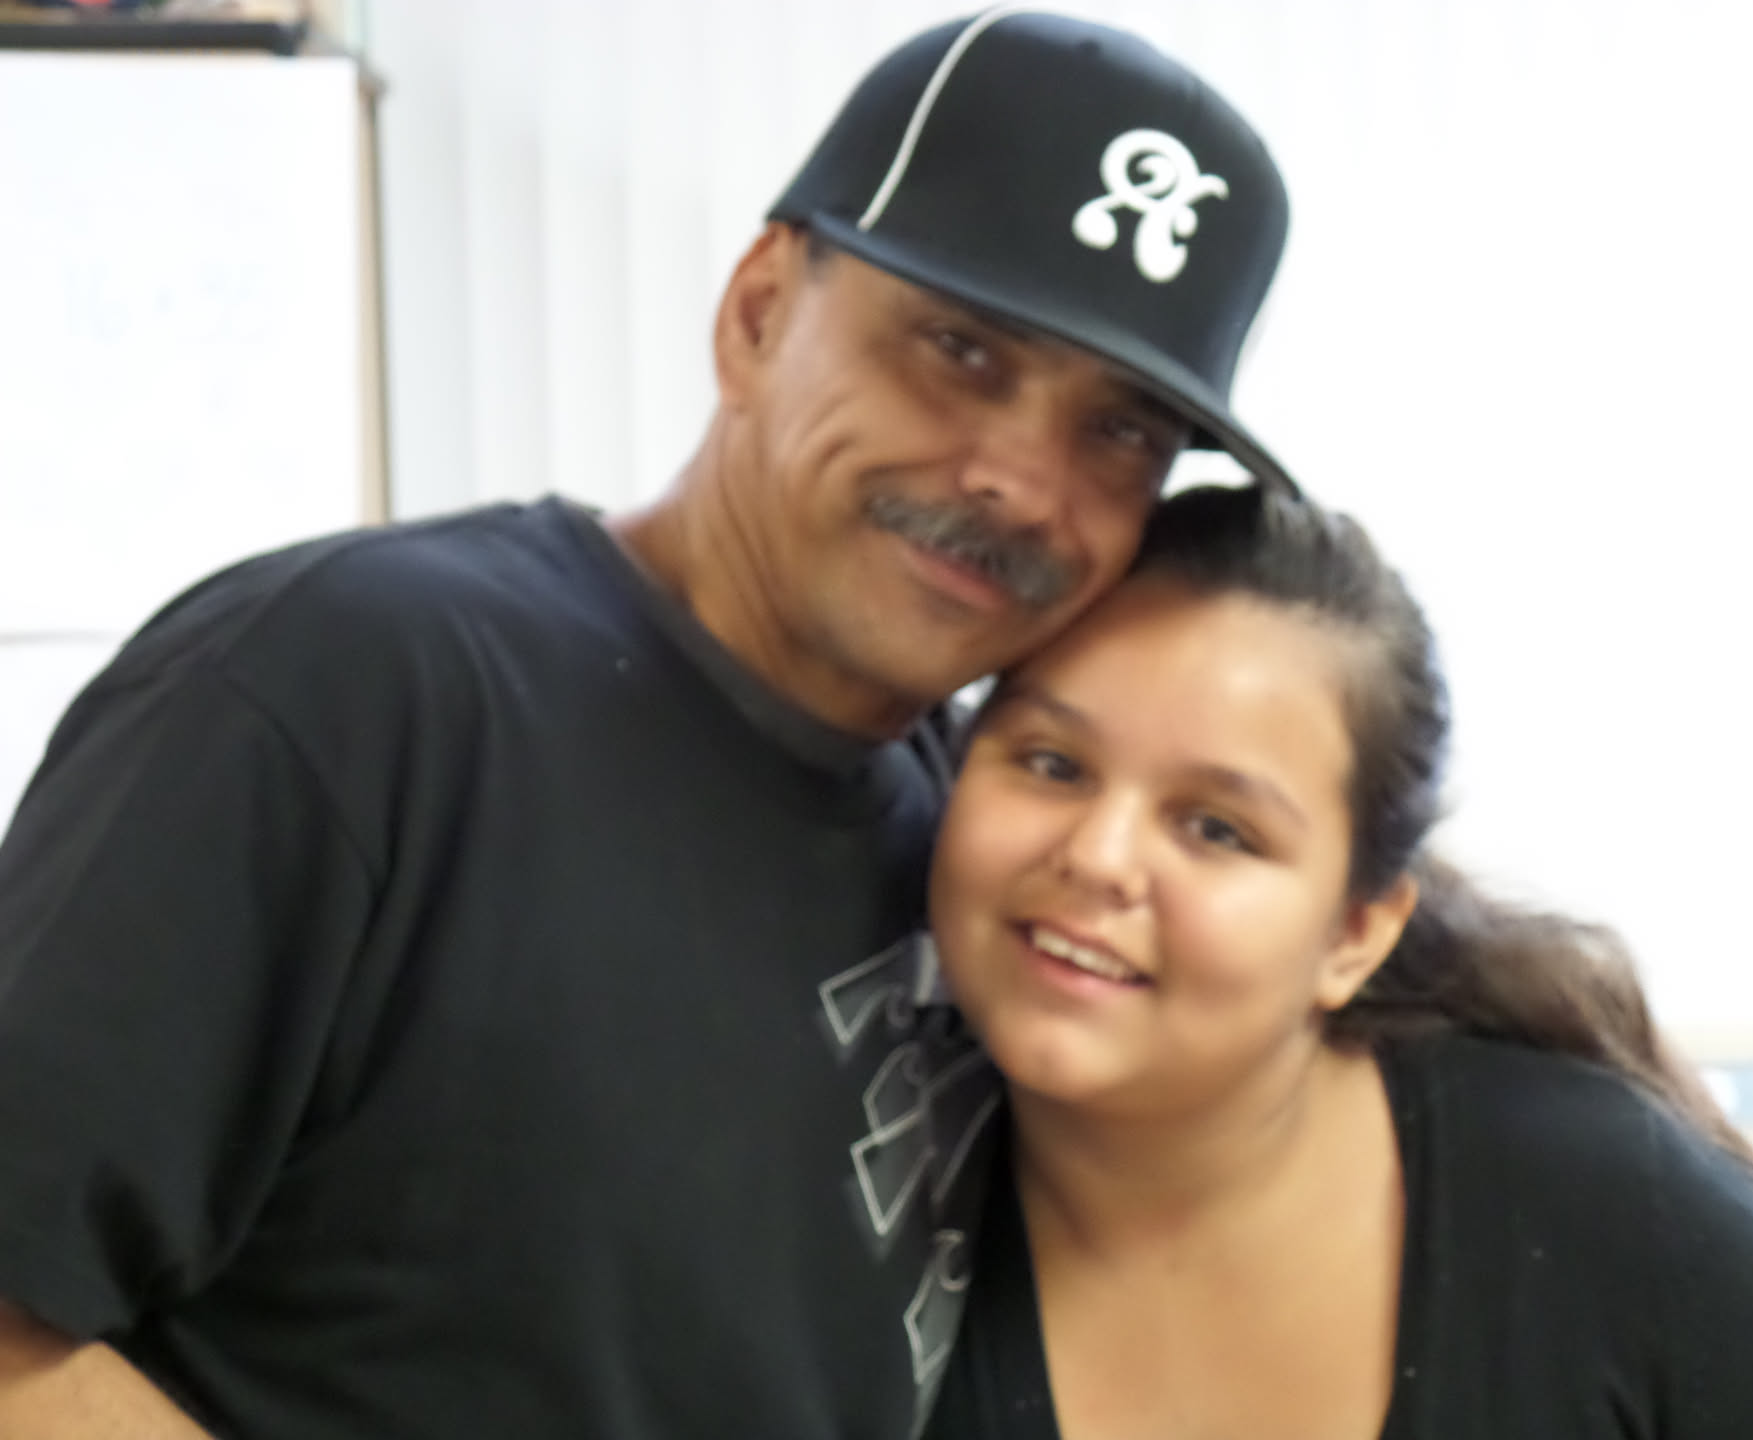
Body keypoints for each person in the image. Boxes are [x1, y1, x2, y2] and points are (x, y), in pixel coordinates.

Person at [0, 11, 1292, 1439]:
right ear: (757, 312)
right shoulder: (351, 687)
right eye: (959, 351)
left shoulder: (987, 856)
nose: (1023, 485)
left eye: (1120, 432)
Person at [923, 483, 1753, 1439]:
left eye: (1216, 828)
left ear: (1354, 934)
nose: (1097, 856)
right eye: (1052, 764)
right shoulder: (870, 1229)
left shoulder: (1634, 1230)